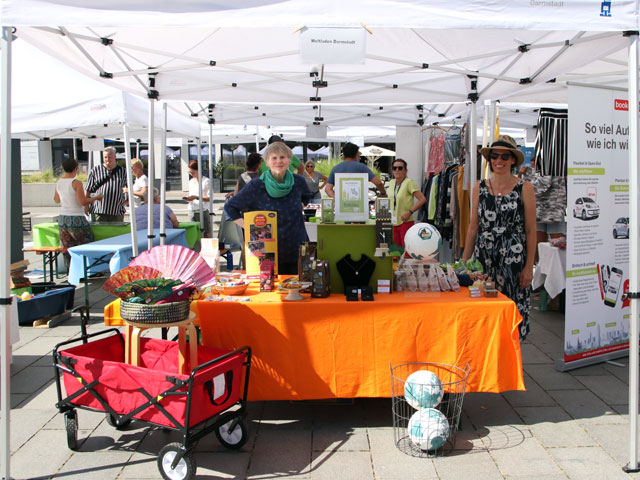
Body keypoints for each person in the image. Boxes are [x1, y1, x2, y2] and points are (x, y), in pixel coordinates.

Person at [462, 135, 537, 340]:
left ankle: (511, 364)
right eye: (494, 156)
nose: (499, 161)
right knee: (483, 310)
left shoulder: (525, 188)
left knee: (512, 309)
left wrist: (529, 266)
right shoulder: (480, 187)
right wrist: (463, 261)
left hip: (513, 261)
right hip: (483, 260)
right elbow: (473, 227)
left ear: (513, 160)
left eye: (504, 156)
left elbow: (531, 230)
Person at [224, 141, 313, 274]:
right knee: (271, 293)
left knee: (299, 290)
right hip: (267, 251)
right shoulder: (256, 185)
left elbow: (306, 196)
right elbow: (230, 207)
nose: (279, 161)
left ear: (289, 161)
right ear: (267, 163)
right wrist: (249, 226)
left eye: (283, 157)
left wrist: (300, 206)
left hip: (296, 247)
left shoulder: (298, 182)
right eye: (274, 158)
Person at [54, 157, 103, 265]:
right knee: (86, 244)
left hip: (63, 218)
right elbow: (82, 202)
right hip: (76, 217)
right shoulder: (76, 183)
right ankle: (88, 270)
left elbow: (56, 200)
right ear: (76, 169)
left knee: (67, 248)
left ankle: (71, 271)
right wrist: (96, 198)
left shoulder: (59, 183)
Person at [388, 158, 426, 249]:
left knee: (407, 251)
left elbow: (422, 199)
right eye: (394, 168)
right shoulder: (391, 182)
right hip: (392, 223)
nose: (397, 170)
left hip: (405, 222)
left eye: (400, 168)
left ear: (405, 170)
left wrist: (409, 212)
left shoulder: (409, 183)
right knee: (396, 252)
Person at [85, 146, 128, 222]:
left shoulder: (123, 171)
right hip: (99, 210)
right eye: (105, 157)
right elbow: (88, 189)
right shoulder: (95, 170)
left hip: (117, 211)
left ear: (115, 156)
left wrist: (126, 201)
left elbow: (130, 188)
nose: (107, 159)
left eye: (109, 157)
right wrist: (86, 206)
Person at [183, 160, 212, 238]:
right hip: (192, 210)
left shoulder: (206, 181)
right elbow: (191, 194)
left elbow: (210, 198)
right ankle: (195, 249)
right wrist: (189, 198)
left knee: (206, 232)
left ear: (198, 170)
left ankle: (207, 248)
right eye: (190, 172)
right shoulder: (191, 182)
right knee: (192, 233)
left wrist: (197, 197)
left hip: (202, 210)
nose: (191, 174)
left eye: (192, 172)